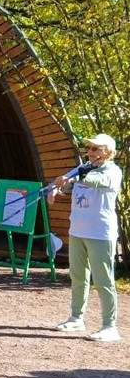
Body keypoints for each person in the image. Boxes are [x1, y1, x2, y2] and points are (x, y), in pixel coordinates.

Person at [49, 134, 123, 342]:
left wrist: (76, 176)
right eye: (89, 148)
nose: (90, 153)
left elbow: (97, 182)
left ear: (108, 152)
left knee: (103, 280)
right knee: (78, 277)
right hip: (77, 231)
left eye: (96, 149)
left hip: (100, 233)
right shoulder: (82, 170)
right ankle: (76, 319)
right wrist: (55, 189)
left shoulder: (112, 171)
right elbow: (64, 186)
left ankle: (110, 327)